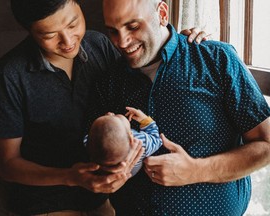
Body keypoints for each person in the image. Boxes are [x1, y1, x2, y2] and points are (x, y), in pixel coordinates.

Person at [0, 0, 206, 215]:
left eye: (73, 24)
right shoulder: (10, 75)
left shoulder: (99, 45)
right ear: (30, 32)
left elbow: (143, 69)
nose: (67, 41)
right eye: (49, 35)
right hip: (44, 203)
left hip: (103, 198)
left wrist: (178, 43)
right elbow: (6, 164)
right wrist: (70, 177)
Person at [86, 0, 270, 215]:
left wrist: (195, 170)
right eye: (113, 31)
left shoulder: (217, 59)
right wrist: (109, 173)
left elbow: (266, 144)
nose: (122, 42)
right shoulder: (107, 82)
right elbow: (93, 157)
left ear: (162, 13)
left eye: (133, 27)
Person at [86, 107, 162, 176]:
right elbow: (157, 139)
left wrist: (106, 122)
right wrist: (145, 121)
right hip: (132, 172)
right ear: (131, 138)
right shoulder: (142, 142)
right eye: (116, 117)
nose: (110, 114)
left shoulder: (89, 142)